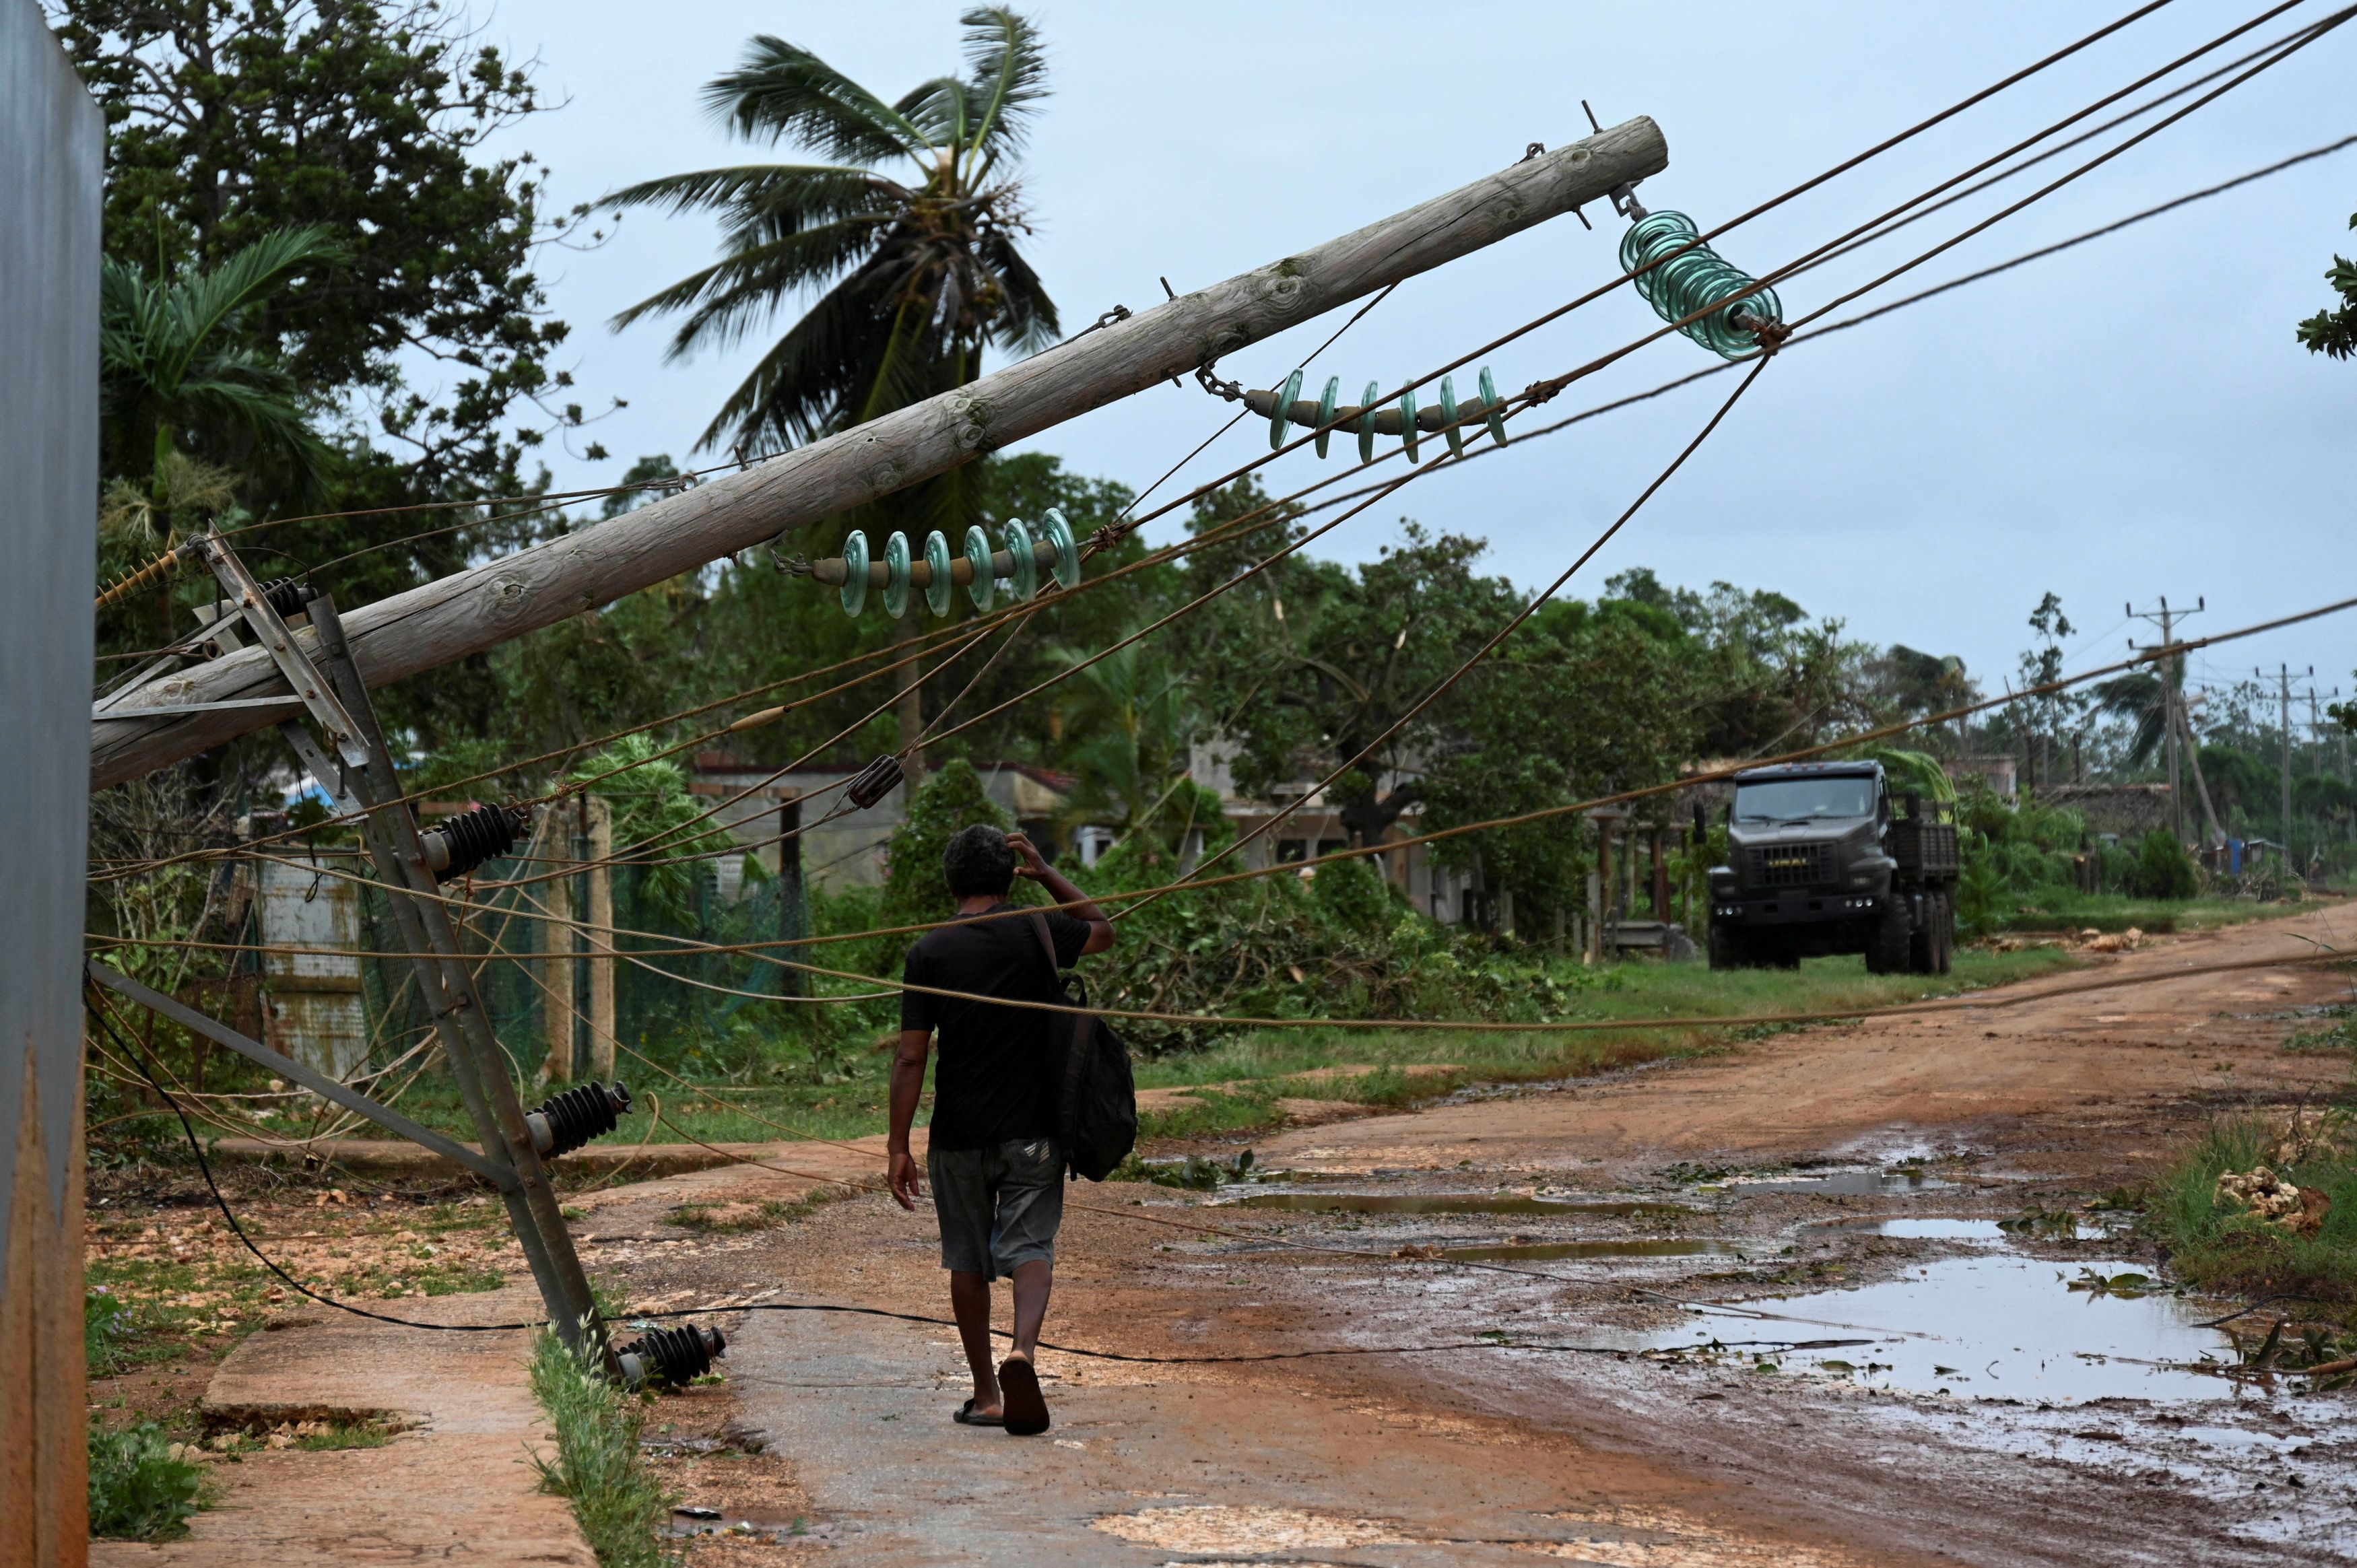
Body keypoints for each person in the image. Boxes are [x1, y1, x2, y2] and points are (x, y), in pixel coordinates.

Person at [887, 823, 1113, 1436]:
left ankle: (988, 1393)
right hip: (1034, 1132)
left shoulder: (930, 952)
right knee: (1030, 1247)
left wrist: (898, 1145)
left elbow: (912, 1057)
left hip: (959, 1135)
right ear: (1008, 875)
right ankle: (1024, 1353)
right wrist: (1047, 874)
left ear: (951, 882)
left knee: (967, 1256)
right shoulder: (1039, 928)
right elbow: (1104, 930)